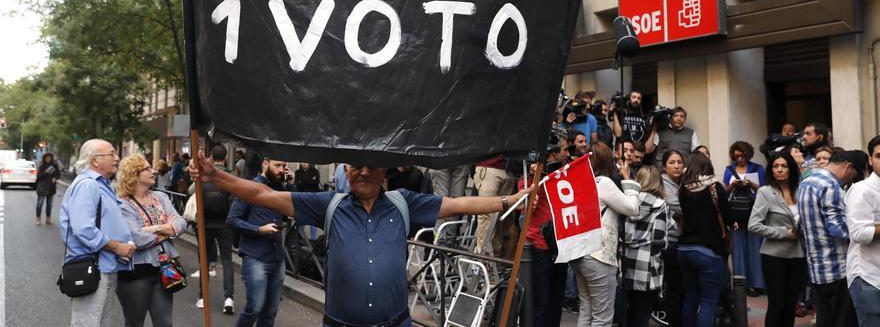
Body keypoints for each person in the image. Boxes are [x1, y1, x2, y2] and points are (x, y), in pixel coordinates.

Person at [188, 154, 534, 326]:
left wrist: (509, 200)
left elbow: (459, 204)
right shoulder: (328, 204)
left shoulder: (405, 203)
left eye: (372, 166)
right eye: (356, 167)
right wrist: (215, 175)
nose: (364, 172)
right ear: (346, 172)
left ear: (385, 172)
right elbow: (263, 195)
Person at [59, 139, 136, 327]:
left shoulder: (101, 184)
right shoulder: (88, 185)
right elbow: (83, 228)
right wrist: (118, 247)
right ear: (95, 160)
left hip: (104, 266)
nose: (117, 158)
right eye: (112, 154)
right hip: (92, 267)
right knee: (88, 323)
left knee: (99, 322)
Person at [572, 142, 640, 327]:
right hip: (599, 255)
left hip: (580, 253)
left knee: (586, 311)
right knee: (602, 317)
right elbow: (632, 208)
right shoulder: (603, 183)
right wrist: (628, 179)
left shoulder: (580, 182)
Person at [115, 155, 187, 327]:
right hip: (134, 272)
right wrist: (167, 229)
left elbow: (181, 223)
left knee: (165, 323)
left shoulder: (161, 197)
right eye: (147, 168)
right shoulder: (122, 204)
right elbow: (137, 238)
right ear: (134, 174)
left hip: (164, 267)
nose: (153, 171)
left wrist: (152, 228)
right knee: (135, 323)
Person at [227, 159, 295, 327]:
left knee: (270, 311)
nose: (281, 170)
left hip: (277, 256)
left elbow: (294, 211)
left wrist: (291, 185)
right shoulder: (250, 188)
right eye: (277, 165)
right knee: (255, 307)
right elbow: (232, 220)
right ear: (265, 164)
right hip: (255, 255)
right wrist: (259, 230)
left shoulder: (281, 188)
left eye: (284, 166)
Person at [798, 150, 858, 327]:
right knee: (842, 320)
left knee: (825, 319)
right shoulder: (831, 185)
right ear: (848, 167)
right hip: (837, 266)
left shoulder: (806, 182)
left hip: (817, 266)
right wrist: (864, 231)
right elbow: (837, 227)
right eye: (853, 175)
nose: (851, 180)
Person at [748, 152, 805, 327]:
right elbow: (754, 225)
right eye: (775, 166)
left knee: (791, 305)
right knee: (777, 305)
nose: (779, 170)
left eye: (784, 166)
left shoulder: (801, 190)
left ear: (791, 169)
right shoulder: (765, 192)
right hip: (774, 256)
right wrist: (783, 232)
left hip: (799, 255)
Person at [677, 152, 734, 327]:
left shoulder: (683, 189)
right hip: (710, 250)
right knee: (708, 301)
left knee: (690, 298)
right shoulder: (715, 187)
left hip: (685, 249)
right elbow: (728, 216)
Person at [527, 140, 569, 327]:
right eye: (565, 150)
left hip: (562, 244)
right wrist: (535, 177)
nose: (568, 154)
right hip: (540, 245)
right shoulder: (531, 176)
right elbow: (525, 206)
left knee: (556, 301)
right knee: (541, 302)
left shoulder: (566, 174)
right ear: (553, 154)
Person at [190, 145, 235, 314]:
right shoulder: (230, 175)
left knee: (204, 260)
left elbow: (190, 190)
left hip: (205, 223)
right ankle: (229, 298)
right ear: (225, 157)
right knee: (227, 260)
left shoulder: (205, 175)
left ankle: (202, 297)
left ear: (211, 157)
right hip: (225, 223)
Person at [621, 165, 668, 327]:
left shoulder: (627, 201)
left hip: (626, 262)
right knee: (642, 313)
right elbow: (658, 238)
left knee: (629, 311)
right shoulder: (660, 205)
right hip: (647, 265)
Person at [845, 136, 880, 327]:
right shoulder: (862, 190)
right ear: (870, 160)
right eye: (879, 156)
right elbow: (859, 233)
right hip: (869, 278)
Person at [723, 140, 766, 296]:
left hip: (753, 212)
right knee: (738, 249)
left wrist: (751, 184)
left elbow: (765, 191)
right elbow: (724, 192)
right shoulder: (729, 170)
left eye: (742, 156)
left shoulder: (757, 169)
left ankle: (757, 284)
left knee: (755, 248)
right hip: (735, 214)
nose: (739, 159)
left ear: (748, 155)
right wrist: (733, 185)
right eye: (736, 156)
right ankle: (741, 284)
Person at [660, 150, 685, 327]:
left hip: (682, 241)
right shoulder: (663, 183)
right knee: (674, 288)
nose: (676, 166)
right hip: (670, 241)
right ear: (664, 166)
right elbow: (675, 206)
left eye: (679, 162)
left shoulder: (681, 182)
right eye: (672, 162)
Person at [470, 154, 512, 255]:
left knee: (502, 216)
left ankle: (493, 255)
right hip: (489, 166)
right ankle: (483, 255)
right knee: (486, 213)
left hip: (510, 169)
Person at [36, 152, 62, 225]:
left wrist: (55, 178)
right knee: (39, 204)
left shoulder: (54, 166)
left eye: (50, 158)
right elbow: (39, 177)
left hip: (51, 188)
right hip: (42, 188)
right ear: (44, 158)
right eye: (47, 158)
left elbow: (58, 174)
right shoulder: (41, 166)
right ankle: (38, 219)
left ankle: (48, 219)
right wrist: (46, 172)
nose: (48, 159)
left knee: (49, 205)